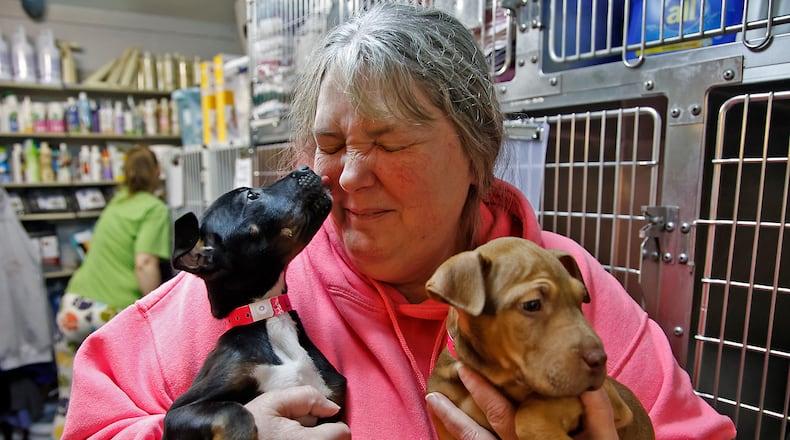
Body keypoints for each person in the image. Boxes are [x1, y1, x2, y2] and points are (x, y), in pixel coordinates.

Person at [61, 4, 736, 439]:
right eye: (329, 147)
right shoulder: (256, 287)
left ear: (477, 154)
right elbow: (93, 424)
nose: (349, 176)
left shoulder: (560, 282)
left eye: (390, 144)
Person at [52, 145, 172, 439]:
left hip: (72, 306)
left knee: (70, 401)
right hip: (108, 310)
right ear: (157, 171)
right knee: (125, 405)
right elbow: (144, 263)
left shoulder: (117, 203)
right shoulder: (153, 208)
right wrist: (157, 313)